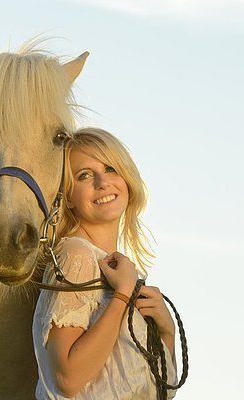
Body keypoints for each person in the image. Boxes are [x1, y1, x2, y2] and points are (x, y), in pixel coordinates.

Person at [32, 127, 177, 399]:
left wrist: (165, 330)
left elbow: (157, 390)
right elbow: (67, 378)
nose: (103, 182)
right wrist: (122, 296)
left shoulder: (117, 268)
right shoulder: (76, 256)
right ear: (69, 197)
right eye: (84, 175)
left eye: (110, 168)